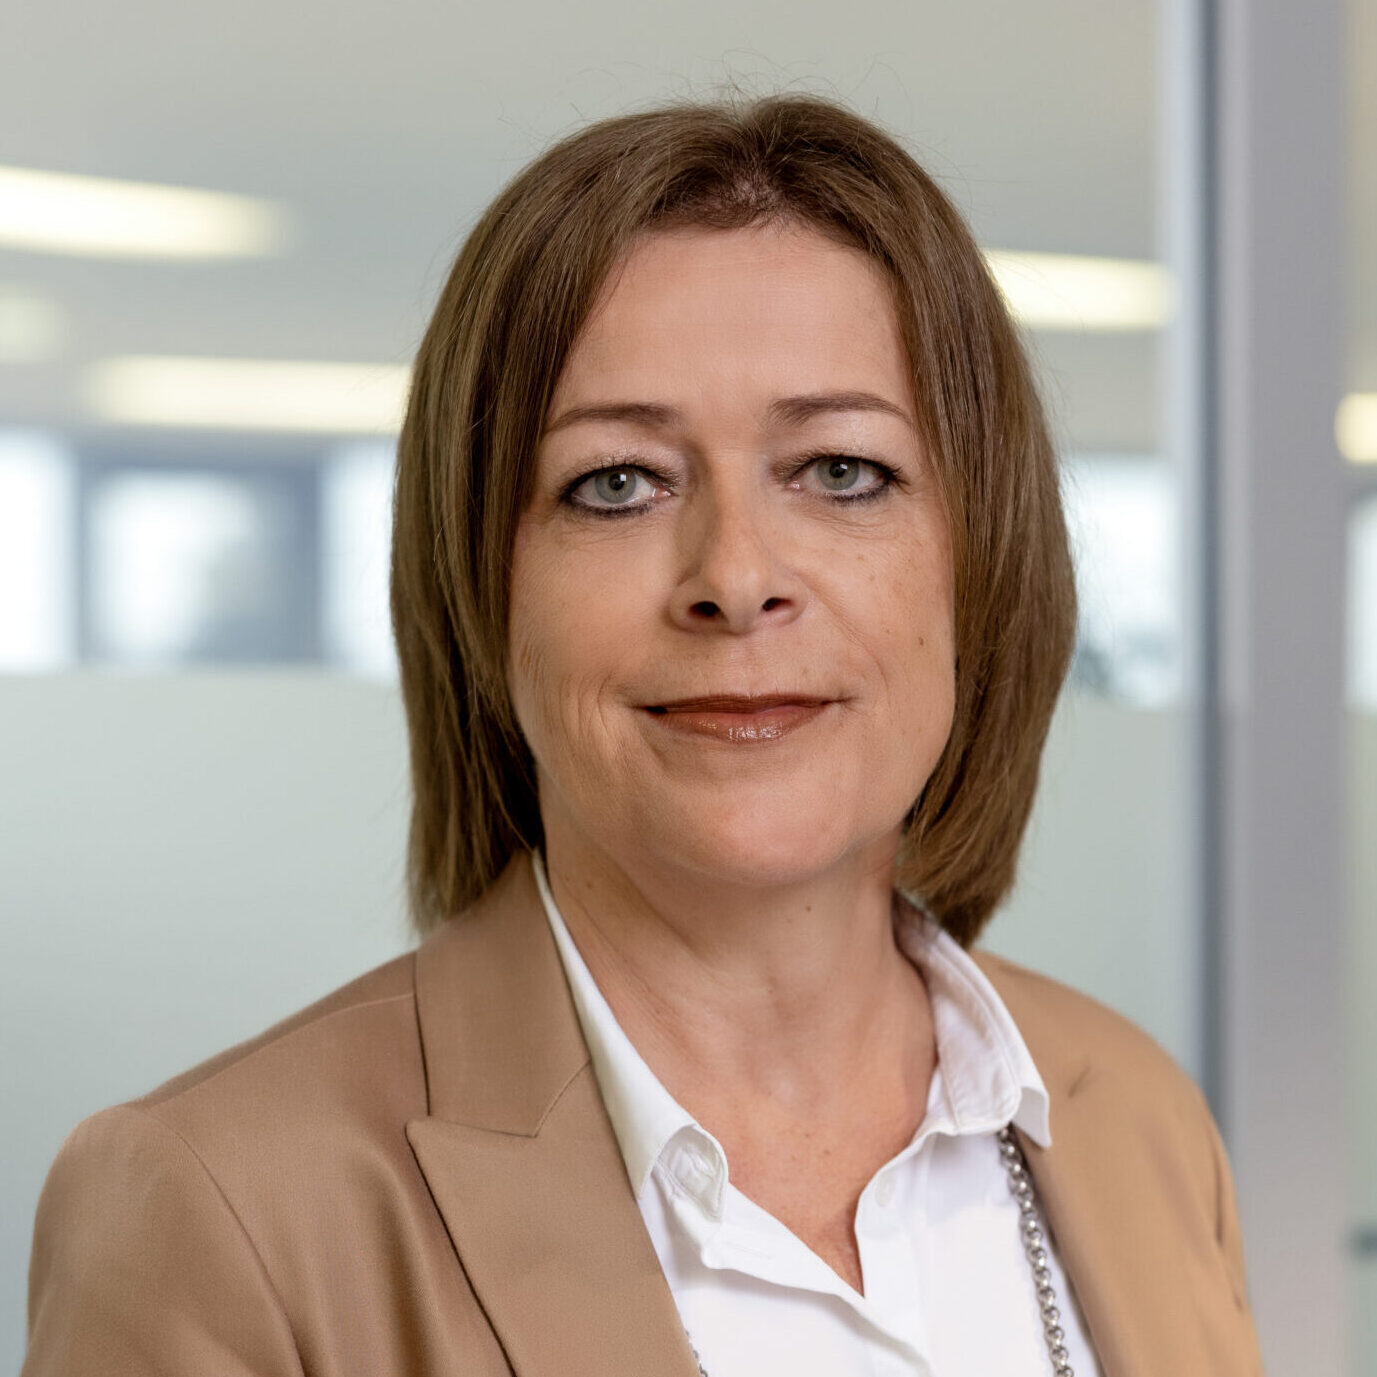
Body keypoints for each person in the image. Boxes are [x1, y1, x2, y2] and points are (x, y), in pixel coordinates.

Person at [23, 94, 1265, 1377]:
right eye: (617, 483)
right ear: (482, 590)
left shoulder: (1136, 1120)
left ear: (981, 562)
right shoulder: (222, 1209)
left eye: (841, 470)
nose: (737, 577)